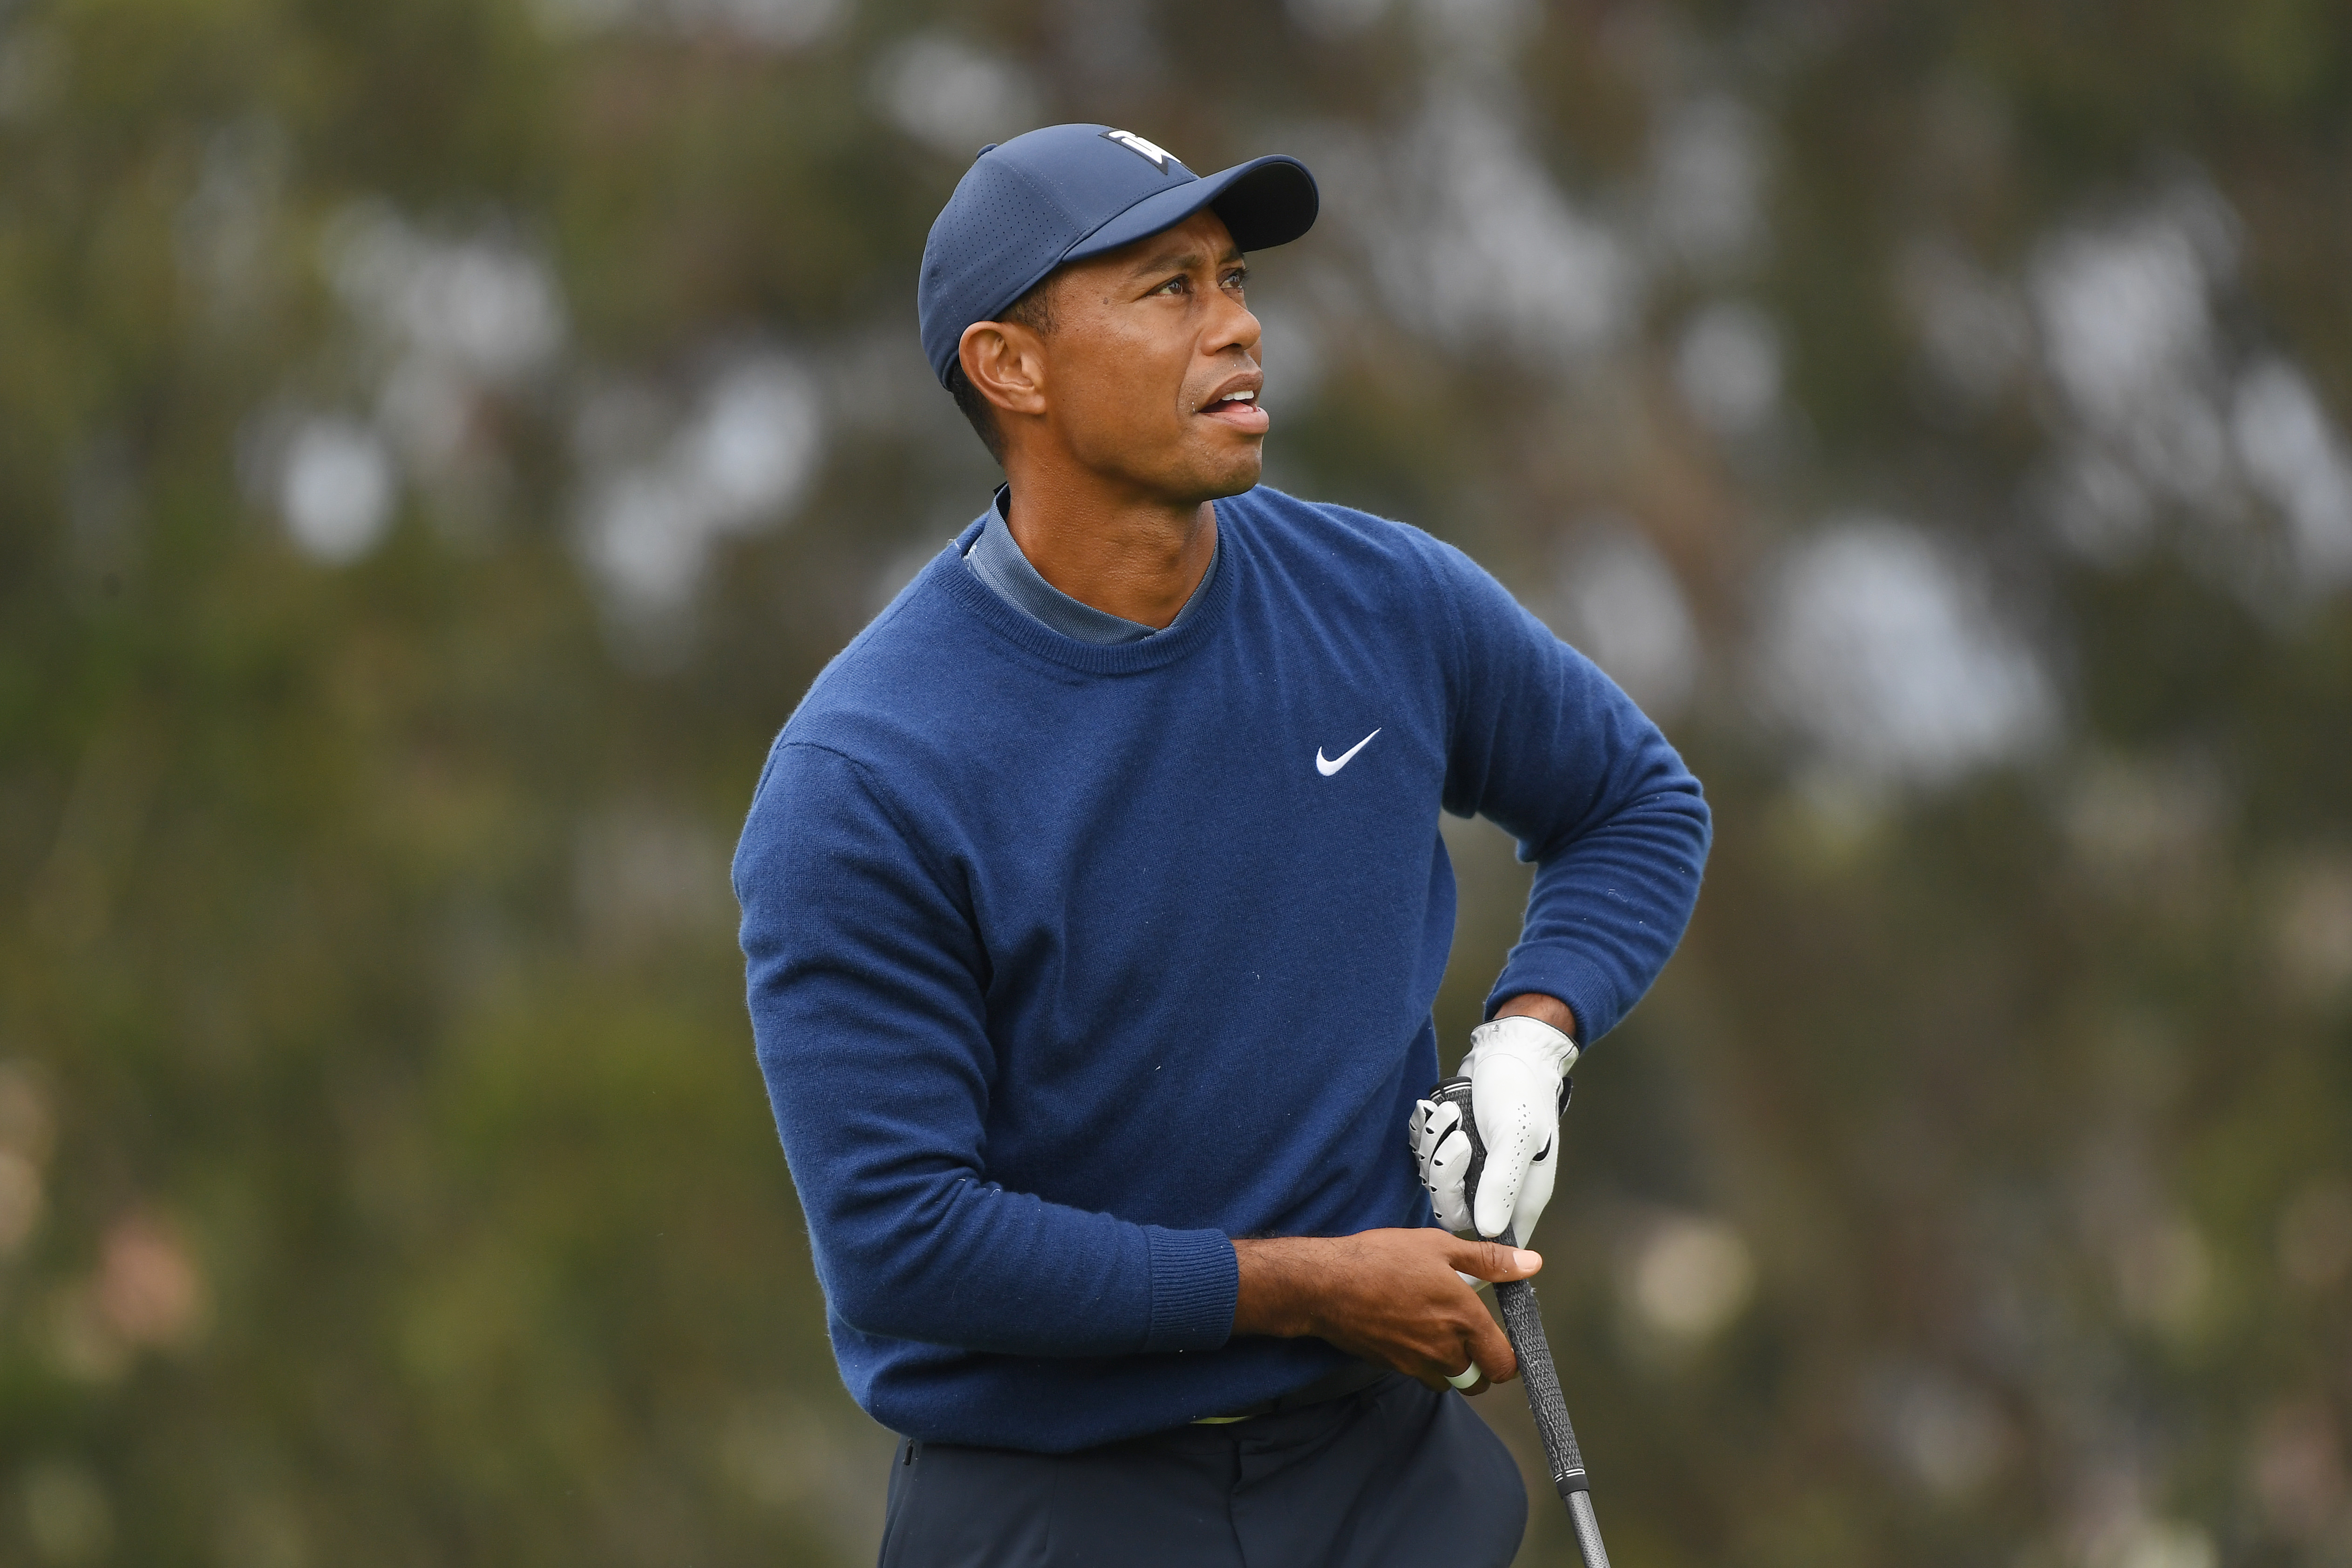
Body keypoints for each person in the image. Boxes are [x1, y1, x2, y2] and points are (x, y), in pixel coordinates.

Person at [731, 123, 1711, 1568]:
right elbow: (905, 1240)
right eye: (1166, 290)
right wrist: (1307, 1287)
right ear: (1014, 367)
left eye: (1233, 278)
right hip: (1058, 1508)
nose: (1239, 325)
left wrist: (1530, 1035)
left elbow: (1633, 802)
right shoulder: (864, 776)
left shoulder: (1382, 599)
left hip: (1387, 1482)